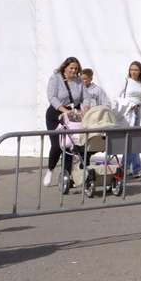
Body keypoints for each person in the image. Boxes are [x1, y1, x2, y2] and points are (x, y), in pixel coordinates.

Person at [43, 57, 85, 187]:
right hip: (56, 114)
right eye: (71, 68)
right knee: (57, 145)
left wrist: (86, 109)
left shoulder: (79, 81)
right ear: (65, 67)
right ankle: (50, 170)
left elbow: (86, 97)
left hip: (72, 115)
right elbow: (52, 97)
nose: (73, 71)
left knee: (69, 146)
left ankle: (67, 175)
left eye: (76, 69)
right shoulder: (55, 78)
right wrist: (64, 110)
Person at [116, 61, 141, 177]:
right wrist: (128, 103)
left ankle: (125, 167)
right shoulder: (126, 81)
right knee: (132, 140)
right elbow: (116, 96)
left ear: (140, 71)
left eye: (136, 70)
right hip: (129, 111)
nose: (133, 72)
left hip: (138, 111)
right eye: (131, 69)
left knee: (134, 140)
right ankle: (136, 168)